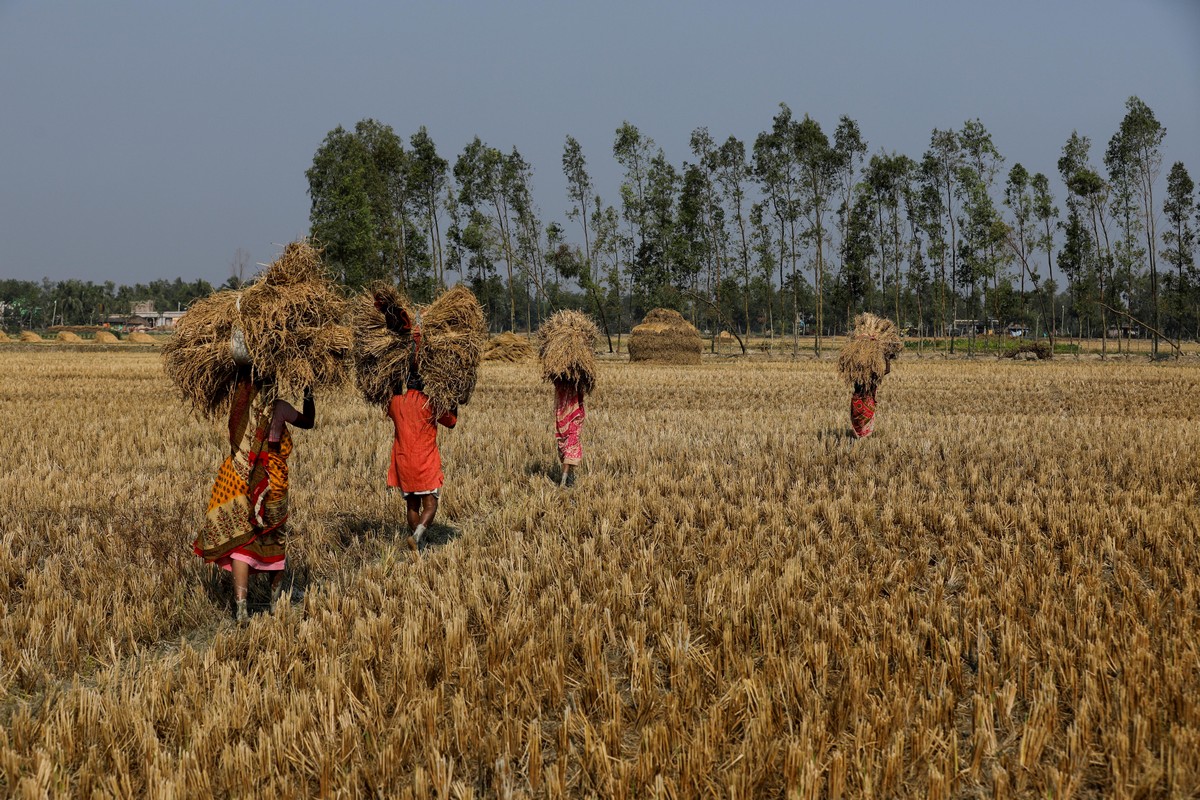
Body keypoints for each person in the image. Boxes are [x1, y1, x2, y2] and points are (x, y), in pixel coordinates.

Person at [193, 371, 315, 622]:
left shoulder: (240, 405)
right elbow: (308, 422)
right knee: (275, 539)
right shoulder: (279, 407)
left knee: (241, 545)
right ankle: (274, 605)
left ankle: (241, 609)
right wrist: (308, 392)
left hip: (238, 479)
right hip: (272, 480)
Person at [387, 326, 457, 553]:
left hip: (404, 463)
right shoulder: (430, 403)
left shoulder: (396, 403)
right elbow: (452, 421)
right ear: (424, 383)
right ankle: (418, 535)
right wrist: (451, 394)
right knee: (431, 503)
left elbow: (389, 395)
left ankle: (418, 542)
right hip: (425, 462)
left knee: (412, 504)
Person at [553, 377, 586, 487]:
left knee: (570, 449)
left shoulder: (575, 382)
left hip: (573, 419)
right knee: (565, 448)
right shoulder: (560, 383)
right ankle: (568, 478)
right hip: (563, 419)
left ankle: (564, 480)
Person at [850, 360, 889, 438]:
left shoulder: (857, 376)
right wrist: (887, 359)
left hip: (856, 404)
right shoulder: (873, 377)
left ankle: (859, 435)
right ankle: (863, 436)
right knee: (865, 423)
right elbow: (887, 370)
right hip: (866, 403)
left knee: (858, 423)